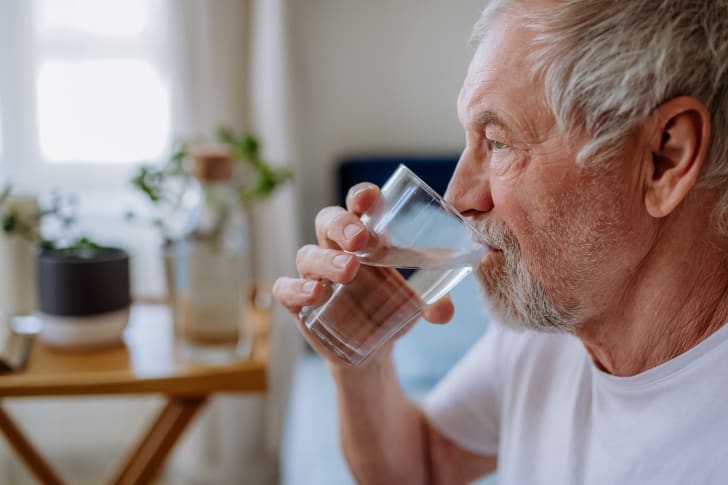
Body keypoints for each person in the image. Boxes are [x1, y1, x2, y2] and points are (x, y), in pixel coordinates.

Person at [273, 0, 728, 483]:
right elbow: (422, 465)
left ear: (663, 159)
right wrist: (362, 361)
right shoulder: (552, 322)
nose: (456, 196)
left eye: (498, 142)